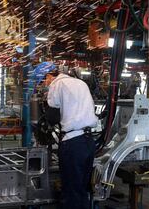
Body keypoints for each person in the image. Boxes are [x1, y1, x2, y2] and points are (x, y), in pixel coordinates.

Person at [47, 66, 98, 209]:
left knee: (71, 192)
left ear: (50, 76)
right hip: (88, 142)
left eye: (44, 80)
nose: (45, 84)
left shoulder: (56, 84)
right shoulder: (81, 83)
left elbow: (52, 117)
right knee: (82, 190)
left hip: (73, 142)